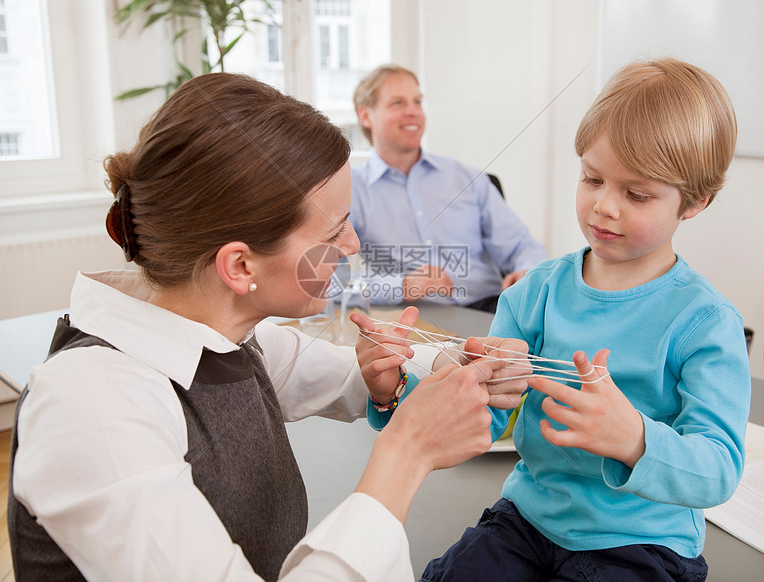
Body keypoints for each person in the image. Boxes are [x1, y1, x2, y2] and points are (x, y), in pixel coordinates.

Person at [7, 73, 533, 582]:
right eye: (333, 230)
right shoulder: (90, 407)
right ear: (239, 267)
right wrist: (405, 453)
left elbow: (346, 370)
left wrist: (457, 362)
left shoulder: (222, 335)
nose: (352, 245)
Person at [359, 58, 751, 581]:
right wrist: (395, 392)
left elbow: (718, 471)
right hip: (526, 524)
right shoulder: (534, 294)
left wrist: (632, 437)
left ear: (696, 201)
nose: (604, 206)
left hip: (642, 546)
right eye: (592, 178)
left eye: (636, 194)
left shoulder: (705, 321)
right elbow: (484, 415)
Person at [350, 64, 548, 313]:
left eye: (417, 102)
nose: (413, 111)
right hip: (412, 317)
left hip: (488, 309)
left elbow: (521, 246)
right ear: (365, 115)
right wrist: (399, 285)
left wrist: (527, 272)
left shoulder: (467, 178)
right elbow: (328, 282)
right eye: (398, 103)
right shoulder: (351, 188)